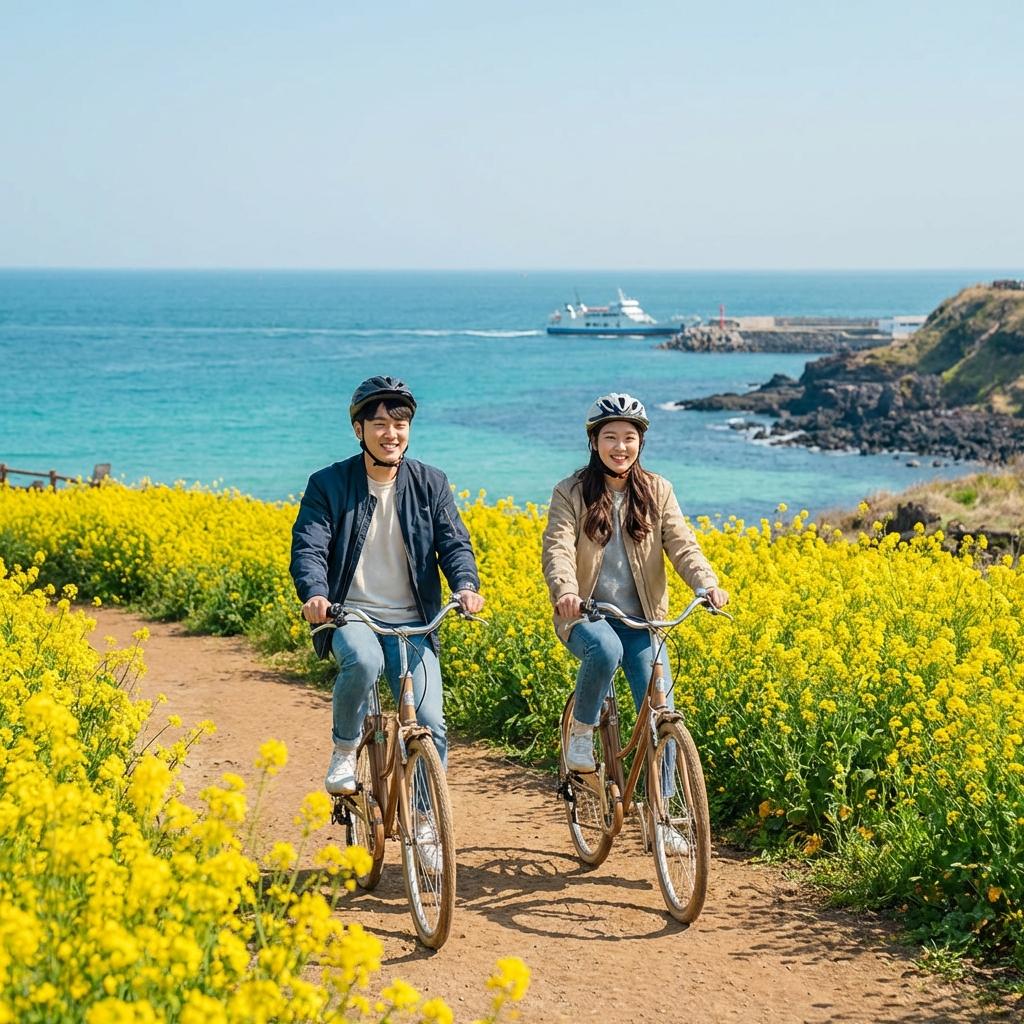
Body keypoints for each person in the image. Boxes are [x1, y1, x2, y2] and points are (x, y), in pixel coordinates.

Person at [541, 393, 729, 847]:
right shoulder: (570, 492)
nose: (620, 447)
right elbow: (558, 548)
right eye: (610, 437)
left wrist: (706, 584)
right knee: (604, 650)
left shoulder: (658, 490)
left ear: (640, 443)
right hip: (587, 614)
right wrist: (565, 591)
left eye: (629, 438)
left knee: (661, 708)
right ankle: (581, 738)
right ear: (594, 442)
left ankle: (662, 819)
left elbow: (683, 544)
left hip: (644, 621)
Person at [290, 375, 485, 810]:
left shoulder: (431, 483)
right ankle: (344, 749)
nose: (390, 433)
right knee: (364, 660)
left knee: (430, 724)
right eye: (378, 424)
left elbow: (455, 544)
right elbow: (310, 546)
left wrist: (466, 586)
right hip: (351, 615)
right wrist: (315, 595)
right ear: (359, 430)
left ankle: (425, 822)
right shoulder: (328, 484)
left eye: (399, 423)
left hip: (414, 621)